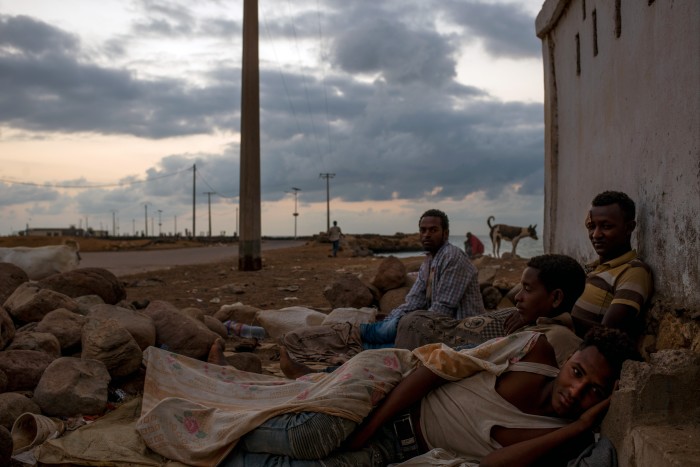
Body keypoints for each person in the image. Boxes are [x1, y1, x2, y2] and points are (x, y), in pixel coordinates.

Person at [217, 327, 640, 466]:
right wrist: (371, 424)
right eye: (577, 373)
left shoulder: (563, 435)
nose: (575, 390)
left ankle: (216, 445)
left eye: (593, 392)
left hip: (401, 446)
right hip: (388, 387)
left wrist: (583, 426)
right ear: (569, 359)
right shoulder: (535, 352)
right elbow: (437, 368)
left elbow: (492, 465)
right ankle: (218, 420)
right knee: (311, 436)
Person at [280, 209, 484, 372]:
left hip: (457, 333)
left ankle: (323, 369)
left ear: (445, 233)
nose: (427, 234)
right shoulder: (430, 259)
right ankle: (319, 348)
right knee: (384, 330)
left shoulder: (452, 257)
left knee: (380, 345)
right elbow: (414, 300)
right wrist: (395, 319)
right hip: (432, 324)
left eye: (433, 230)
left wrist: (405, 325)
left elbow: (443, 310)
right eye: (423, 230)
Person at [394, 254, 586, 367]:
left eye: (527, 289)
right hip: (423, 333)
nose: (518, 296)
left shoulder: (556, 337)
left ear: (556, 298)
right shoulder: (533, 318)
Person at [570, 191, 653, 338]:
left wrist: (562, 321)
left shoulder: (633, 271)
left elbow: (608, 334)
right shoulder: (593, 268)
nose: (595, 234)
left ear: (629, 228)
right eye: (591, 226)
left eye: (606, 226)